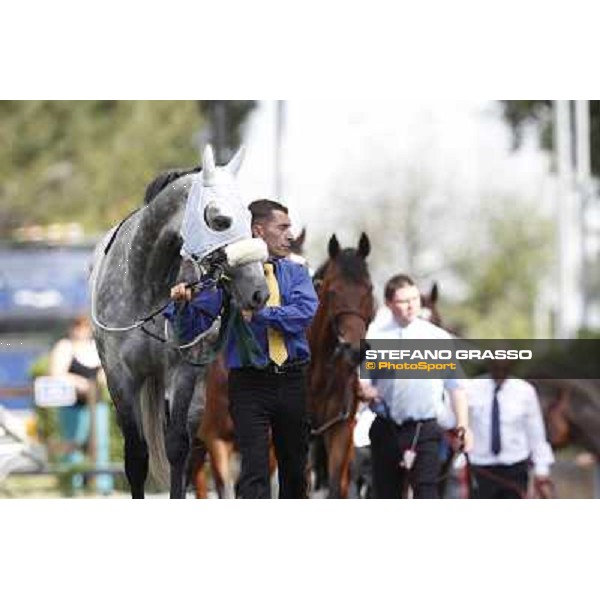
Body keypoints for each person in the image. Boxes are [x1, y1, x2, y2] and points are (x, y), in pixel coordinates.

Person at [166, 199, 318, 499]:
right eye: (283, 227)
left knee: (295, 471)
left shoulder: (297, 273)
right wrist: (182, 305)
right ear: (258, 231)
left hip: (292, 381)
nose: (290, 235)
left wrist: (261, 316)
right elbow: (189, 329)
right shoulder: (226, 278)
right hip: (249, 385)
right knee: (253, 471)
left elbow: (304, 313)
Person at [358, 274, 473, 499]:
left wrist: (463, 426)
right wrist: (364, 390)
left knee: (427, 494)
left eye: (415, 299)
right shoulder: (374, 337)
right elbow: (361, 381)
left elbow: (456, 387)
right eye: (403, 301)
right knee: (386, 496)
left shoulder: (437, 338)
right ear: (389, 304)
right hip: (386, 429)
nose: (411, 306)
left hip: (425, 431)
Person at [466, 359, 555, 499]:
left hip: (515, 468)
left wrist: (542, 469)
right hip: (480, 468)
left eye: (504, 368)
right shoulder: (470, 388)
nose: (500, 372)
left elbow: (536, 433)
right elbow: (457, 423)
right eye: (496, 367)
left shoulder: (525, 391)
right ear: (489, 366)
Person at [49, 316, 113, 495]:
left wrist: (100, 381)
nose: (80, 330)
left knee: (101, 446)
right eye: (77, 326)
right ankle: (72, 487)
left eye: (84, 327)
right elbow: (55, 373)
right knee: (73, 446)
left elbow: (105, 374)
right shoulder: (64, 347)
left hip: (96, 405)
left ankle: (103, 488)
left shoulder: (96, 347)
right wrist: (78, 382)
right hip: (72, 406)